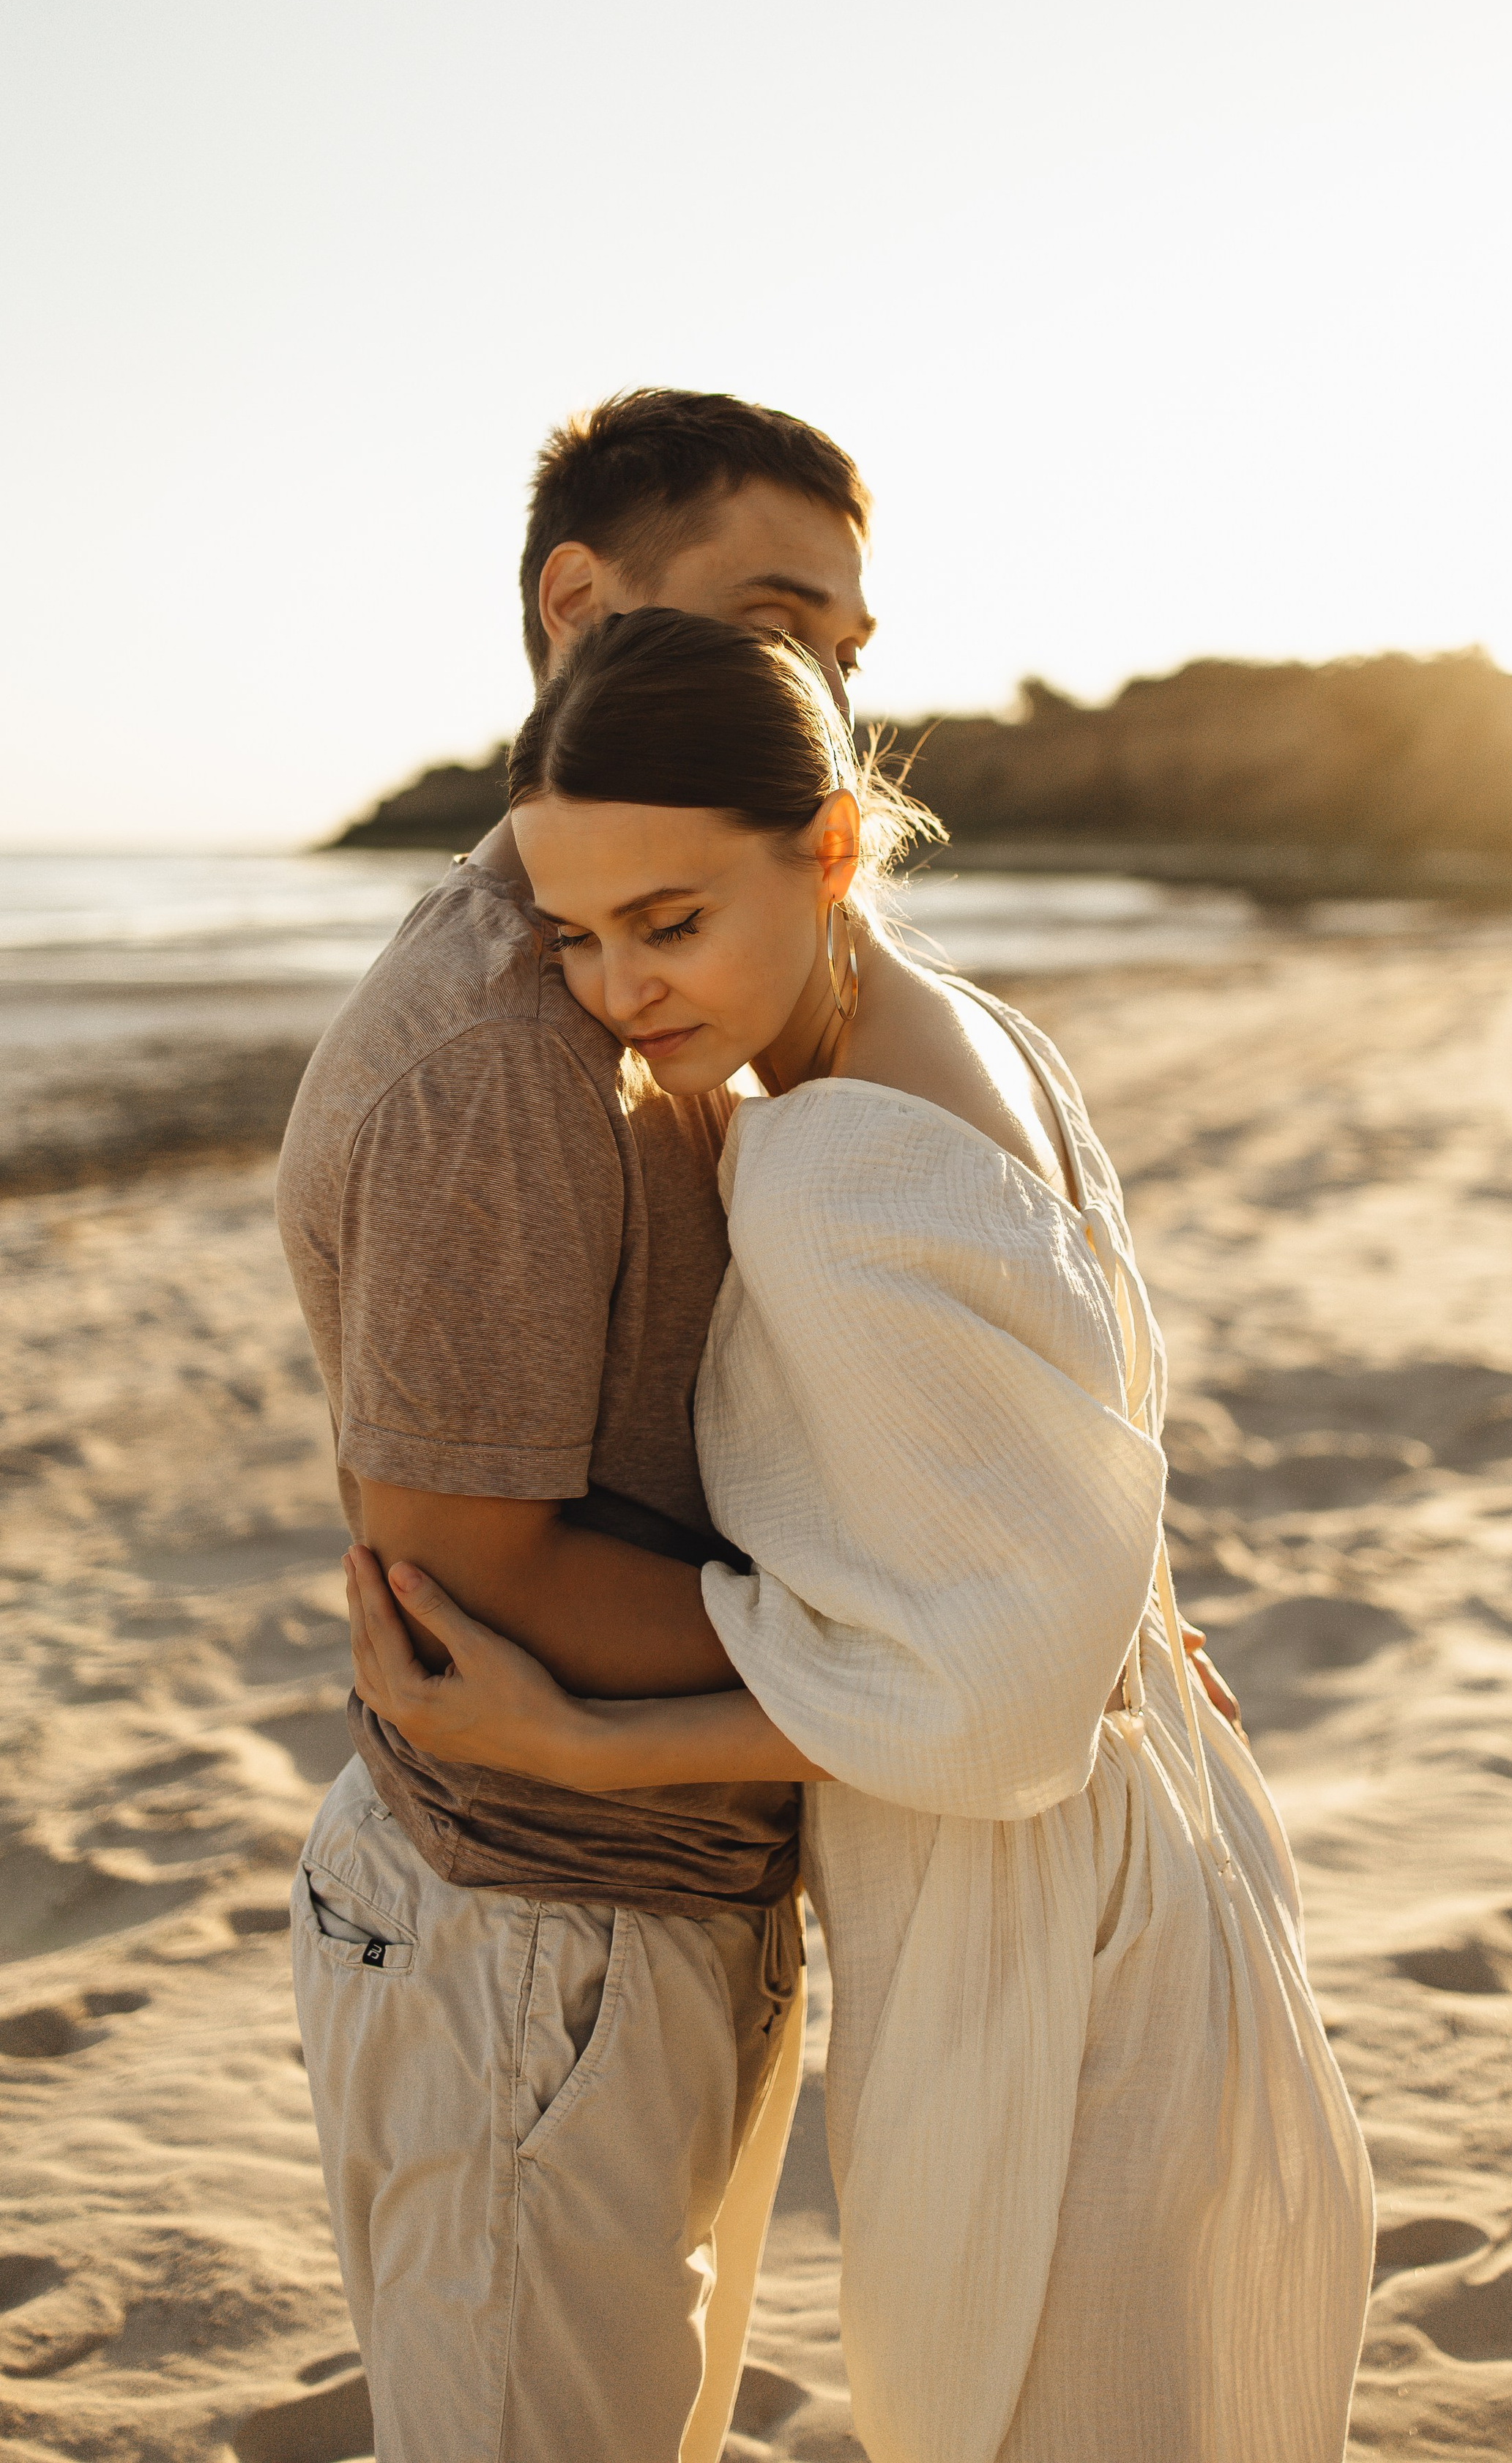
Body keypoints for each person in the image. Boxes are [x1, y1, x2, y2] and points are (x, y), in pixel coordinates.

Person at [343, 606, 1377, 2463]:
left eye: (673, 922)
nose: (617, 992)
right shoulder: (965, 1031)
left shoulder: (831, 1184)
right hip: (1161, 1852)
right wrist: (1113, 1605)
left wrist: (584, 1735)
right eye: (574, 938)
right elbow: (1054, 1477)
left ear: (827, 848)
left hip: (1030, 1916)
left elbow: (983, 1708)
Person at [277, 389, 881, 2463]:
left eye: (847, 647)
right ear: (577, 603)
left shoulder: (667, 986)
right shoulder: (504, 1055)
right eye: (777, 613)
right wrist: (956, 1651)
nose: (820, 683)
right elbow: (477, 1584)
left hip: (663, 1903)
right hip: (533, 1946)